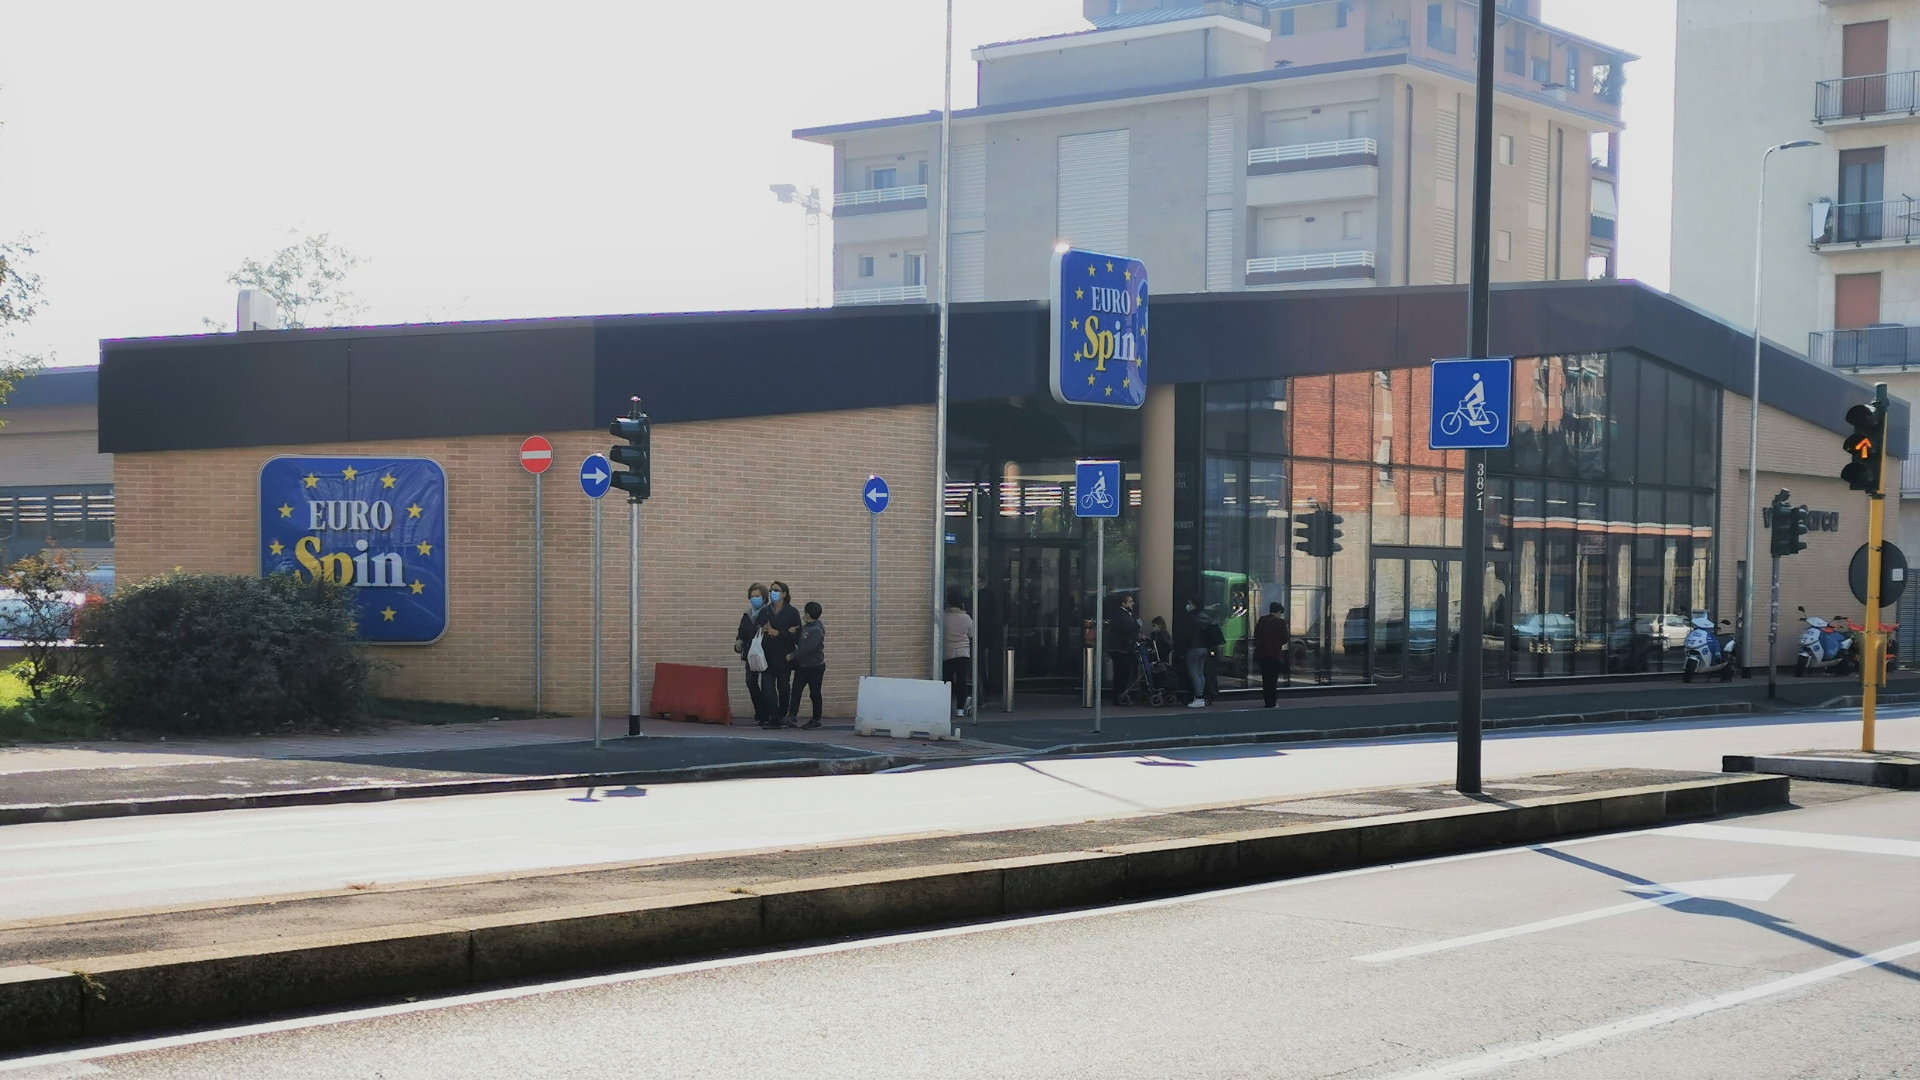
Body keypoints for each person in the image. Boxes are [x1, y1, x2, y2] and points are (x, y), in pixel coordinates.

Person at [755, 579, 802, 727]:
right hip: (767, 655)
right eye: (771, 591)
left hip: (784, 656)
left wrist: (779, 633)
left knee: (783, 687)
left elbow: (797, 634)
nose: (773, 593)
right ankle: (773, 717)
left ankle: (782, 715)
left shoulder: (792, 612)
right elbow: (757, 628)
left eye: (776, 590)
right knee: (767, 687)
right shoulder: (765, 611)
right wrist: (762, 629)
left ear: (784, 594)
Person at [788, 601, 826, 729]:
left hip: (815, 666)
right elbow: (800, 640)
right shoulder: (806, 627)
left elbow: (809, 648)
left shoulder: (816, 630)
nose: (803, 615)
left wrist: (793, 655)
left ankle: (816, 719)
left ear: (808, 614)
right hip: (802, 666)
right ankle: (791, 715)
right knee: (796, 691)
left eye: (805, 612)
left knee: (814, 693)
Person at [734, 584, 769, 722]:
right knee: (751, 681)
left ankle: (767, 713)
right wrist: (739, 642)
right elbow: (742, 632)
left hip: (766, 652)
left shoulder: (768, 613)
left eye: (757, 596)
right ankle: (760, 710)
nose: (754, 599)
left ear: (764, 598)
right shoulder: (747, 615)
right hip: (751, 653)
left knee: (766, 684)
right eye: (752, 596)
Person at [1177, 599, 1217, 708]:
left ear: (1194, 605)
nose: (1188, 605)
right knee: (1200, 673)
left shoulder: (1191, 618)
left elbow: (1187, 635)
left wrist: (1181, 649)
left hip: (1193, 647)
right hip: (1204, 648)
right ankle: (1202, 696)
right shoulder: (1204, 617)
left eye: (1189, 604)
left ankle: (1198, 697)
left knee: (1193, 673)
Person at [1254, 601, 1291, 708]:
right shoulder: (1280, 622)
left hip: (1261, 654)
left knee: (1265, 678)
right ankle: (1272, 702)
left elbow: (1256, 635)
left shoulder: (1262, 620)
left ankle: (1267, 700)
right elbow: (1285, 638)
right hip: (1274, 655)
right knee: (1273, 679)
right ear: (1279, 612)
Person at [943, 589, 973, 717]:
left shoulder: (944, 617)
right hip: (963, 653)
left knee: (946, 680)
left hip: (948, 653)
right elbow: (971, 634)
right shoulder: (966, 618)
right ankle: (960, 708)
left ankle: (960, 698)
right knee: (962, 680)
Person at [1108, 593, 1142, 698]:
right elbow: (1127, 628)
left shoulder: (1124, 614)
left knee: (1123, 674)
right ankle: (1119, 696)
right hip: (1121, 649)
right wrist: (1138, 624)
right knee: (1122, 674)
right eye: (1130, 602)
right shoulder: (1121, 615)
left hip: (1122, 648)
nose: (1132, 604)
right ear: (1123, 603)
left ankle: (1120, 695)